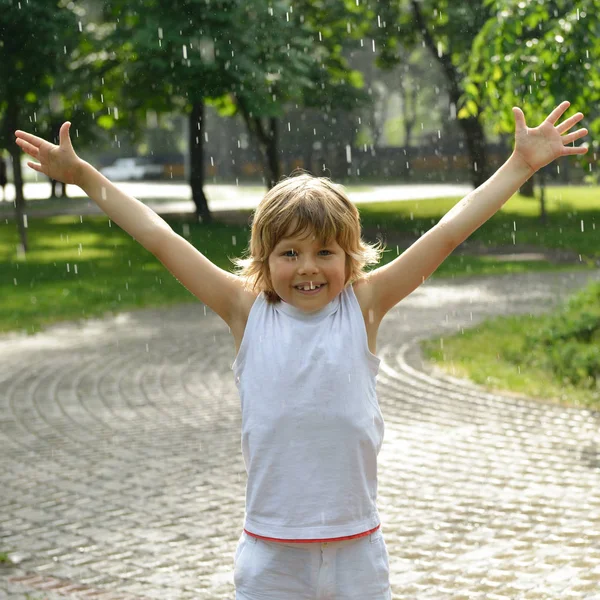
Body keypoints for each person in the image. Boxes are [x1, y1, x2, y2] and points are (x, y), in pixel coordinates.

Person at [14, 101, 587, 599]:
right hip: (271, 552)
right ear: (264, 259)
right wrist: (86, 176)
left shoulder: (364, 306)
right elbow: (160, 237)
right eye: (290, 253)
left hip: (358, 550)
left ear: (350, 258)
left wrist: (519, 165)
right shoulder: (245, 310)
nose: (308, 268)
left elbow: (447, 233)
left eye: (325, 253)